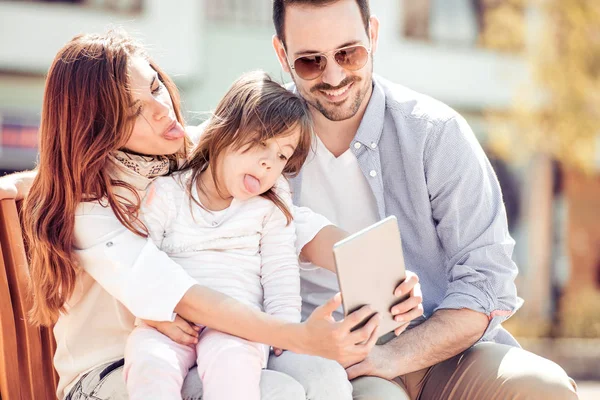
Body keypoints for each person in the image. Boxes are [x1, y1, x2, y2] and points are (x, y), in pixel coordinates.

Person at [5, 30, 423, 400]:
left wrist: (382, 278)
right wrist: (297, 335)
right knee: (278, 392)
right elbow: (180, 293)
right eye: (133, 111)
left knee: (322, 377)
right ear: (96, 128)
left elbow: (289, 221)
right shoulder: (90, 203)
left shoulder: (191, 152)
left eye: (155, 86)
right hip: (114, 371)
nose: (161, 110)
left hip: (217, 343)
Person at [267, 0, 579, 398]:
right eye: (311, 61)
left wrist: (395, 356)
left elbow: (486, 282)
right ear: (282, 53)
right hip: (323, 365)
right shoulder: (253, 136)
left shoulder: (435, 134)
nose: (334, 75)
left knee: (544, 388)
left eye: (350, 53)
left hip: (438, 351)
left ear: (373, 36)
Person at [124, 71, 352, 400]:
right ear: (224, 131)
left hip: (238, 327)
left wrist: (285, 333)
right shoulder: (168, 193)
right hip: (172, 323)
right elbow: (138, 262)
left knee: (233, 367)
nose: (267, 163)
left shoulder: (269, 207)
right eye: (262, 143)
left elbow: (280, 272)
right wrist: (154, 315)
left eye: (281, 155)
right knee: (150, 364)